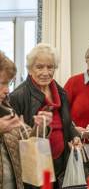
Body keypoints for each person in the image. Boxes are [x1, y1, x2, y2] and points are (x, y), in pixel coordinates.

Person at [9, 43, 81, 188]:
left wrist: (75, 136)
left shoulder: (61, 92)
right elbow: (14, 136)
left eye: (50, 67)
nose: (46, 72)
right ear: (30, 69)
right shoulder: (18, 96)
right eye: (40, 67)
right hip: (35, 165)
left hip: (61, 161)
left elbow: (66, 122)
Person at [0, 51, 52, 189]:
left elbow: (27, 142)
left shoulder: (7, 109)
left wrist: (39, 127)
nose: (7, 91)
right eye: (2, 83)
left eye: (9, 84)